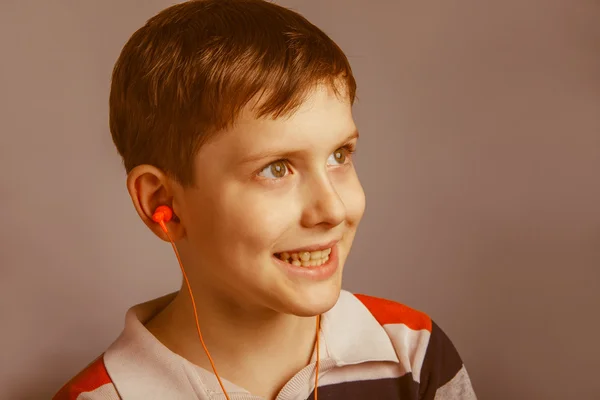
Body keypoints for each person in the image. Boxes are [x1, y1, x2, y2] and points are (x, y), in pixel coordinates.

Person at [53, 0, 477, 399]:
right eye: (276, 168)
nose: (331, 210)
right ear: (164, 202)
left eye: (339, 156)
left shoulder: (412, 355)